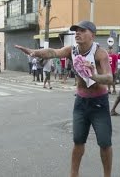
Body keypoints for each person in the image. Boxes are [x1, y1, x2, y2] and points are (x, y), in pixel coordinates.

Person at [15, 20, 113, 177]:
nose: (77, 33)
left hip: (99, 103)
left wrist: (94, 75)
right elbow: (53, 52)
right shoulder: (71, 50)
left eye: (82, 30)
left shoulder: (100, 53)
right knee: (78, 141)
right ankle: (73, 174)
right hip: (80, 103)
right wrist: (33, 52)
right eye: (76, 31)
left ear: (92, 35)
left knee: (104, 143)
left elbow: (109, 78)